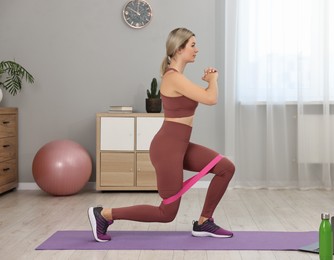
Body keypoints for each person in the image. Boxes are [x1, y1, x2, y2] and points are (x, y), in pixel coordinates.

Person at [88, 28, 235, 242]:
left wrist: (208, 83)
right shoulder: (173, 77)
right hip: (168, 149)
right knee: (166, 213)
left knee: (225, 168)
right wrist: (213, 80)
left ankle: (204, 222)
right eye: (192, 45)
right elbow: (210, 99)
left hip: (180, 146)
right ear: (179, 48)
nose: (197, 49)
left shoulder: (179, 78)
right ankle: (103, 214)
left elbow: (202, 97)